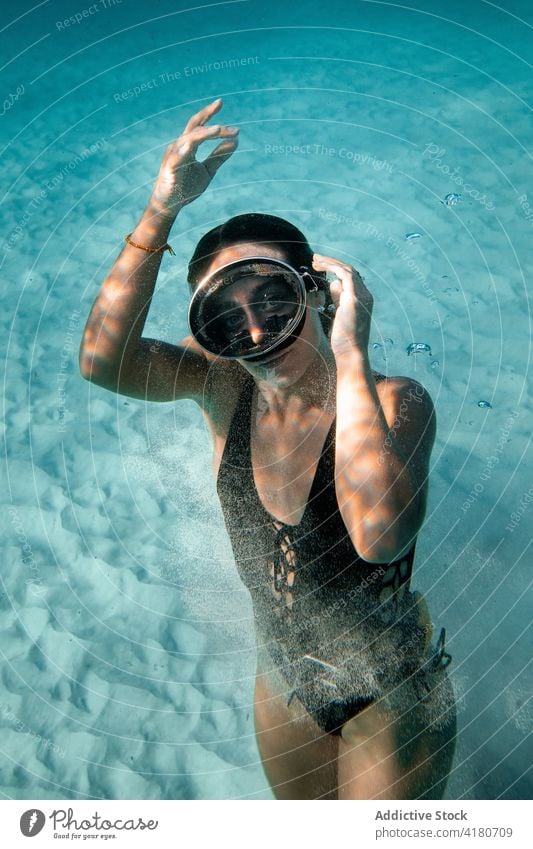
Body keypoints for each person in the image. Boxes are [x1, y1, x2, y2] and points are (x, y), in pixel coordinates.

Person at [79, 98, 456, 800]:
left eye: (273, 301)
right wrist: (160, 212)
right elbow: (103, 361)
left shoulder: (396, 399)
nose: (254, 334)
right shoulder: (221, 384)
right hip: (282, 679)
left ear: (313, 291)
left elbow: (378, 536)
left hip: (389, 690)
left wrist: (347, 346)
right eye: (225, 317)